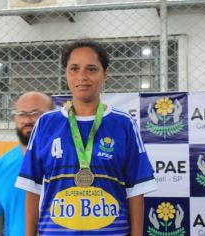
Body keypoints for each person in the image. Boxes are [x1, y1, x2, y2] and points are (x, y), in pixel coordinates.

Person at [15, 40, 158, 236]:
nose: (82, 76)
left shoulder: (123, 123)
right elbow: (32, 188)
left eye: (91, 69)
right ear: (66, 73)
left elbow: (136, 190)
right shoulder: (46, 123)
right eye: (74, 69)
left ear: (104, 74)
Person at [0, 92, 53, 236]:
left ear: (52, 116)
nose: (27, 119)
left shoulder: (70, 161)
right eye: (21, 114)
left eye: (35, 113)